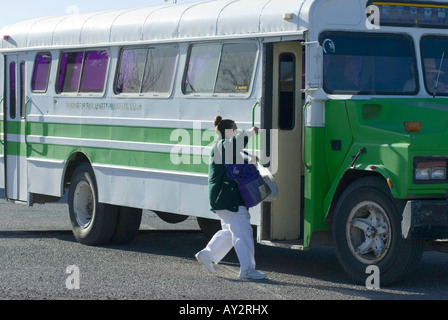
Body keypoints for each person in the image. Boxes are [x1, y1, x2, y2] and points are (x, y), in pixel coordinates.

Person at [195, 116, 266, 280]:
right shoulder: (223, 144)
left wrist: (250, 159)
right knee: (242, 230)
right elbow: (235, 147)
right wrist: (250, 132)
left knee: (230, 230)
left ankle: (207, 254)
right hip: (227, 196)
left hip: (223, 196)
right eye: (235, 128)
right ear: (228, 131)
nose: (237, 131)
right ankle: (247, 270)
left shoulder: (222, 146)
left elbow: (237, 162)